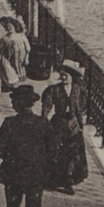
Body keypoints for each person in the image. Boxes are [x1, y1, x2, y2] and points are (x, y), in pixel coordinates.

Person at [41, 59, 88, 194]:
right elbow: (47, 107)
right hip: (59, 123)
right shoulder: (54, 90)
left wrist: (80, 125)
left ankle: (68, 181)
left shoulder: (78, 90)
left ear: (72, 76)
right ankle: (53, 180)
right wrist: (44, 120)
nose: (63, 77)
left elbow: (79, 108)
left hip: (73, 125)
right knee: (56, 151)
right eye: (62, 75)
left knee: (73, 153)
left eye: (66, 75)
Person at [0, 15, 31, 92]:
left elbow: (27, 48)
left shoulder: (21, 36)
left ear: (14, 26)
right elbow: (2, 52)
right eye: (7, 27)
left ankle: (18, 86)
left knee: (19, 72)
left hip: (20, 59)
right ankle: (12, 86)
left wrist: (26, 58)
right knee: (9, 72)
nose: (9, 28)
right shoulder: (4, 39)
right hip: (9, 59)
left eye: (10, 26)